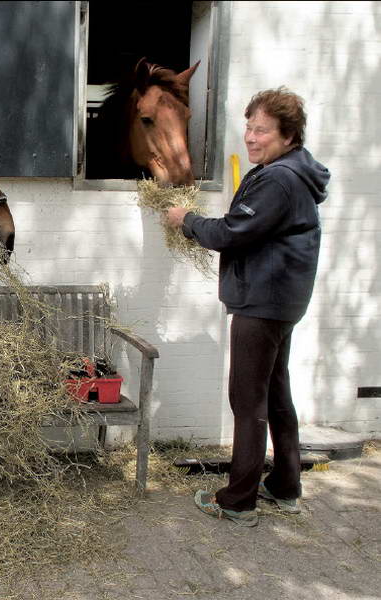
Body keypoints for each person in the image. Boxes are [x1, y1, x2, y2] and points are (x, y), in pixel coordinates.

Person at [165, 87, 330, 526]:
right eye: (249, 127)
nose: (251, 138)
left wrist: (187, 221)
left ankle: (238, 501)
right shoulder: (287, 170)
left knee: (248, 400)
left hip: (263, 302)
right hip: (280, 300)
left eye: (262, 130)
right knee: (275, 394)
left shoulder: (279, 178)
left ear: (289, 135)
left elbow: (230, 234)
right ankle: (285, 485)